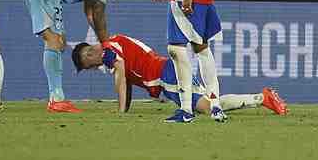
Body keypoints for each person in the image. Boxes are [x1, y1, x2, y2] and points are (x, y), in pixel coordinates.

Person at [71, 34, 288, 116]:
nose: (90, 65)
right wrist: (124, 108)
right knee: (213, 104)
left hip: (166, 76)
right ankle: (263, 98)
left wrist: (120, 112)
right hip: (169, 70)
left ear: (89, 52)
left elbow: (121, 76)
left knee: (206, 108)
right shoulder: (115, 46)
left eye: (86, 61)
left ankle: (263, 98)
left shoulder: (110, 50)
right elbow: (124, 80)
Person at [25, 0, 134, 113]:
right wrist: (106, 45)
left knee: (59, 41)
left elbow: (90, 13)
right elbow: (98, 12)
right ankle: (56, 99)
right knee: (54, 40)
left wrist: (102, 39)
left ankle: (56, 97)